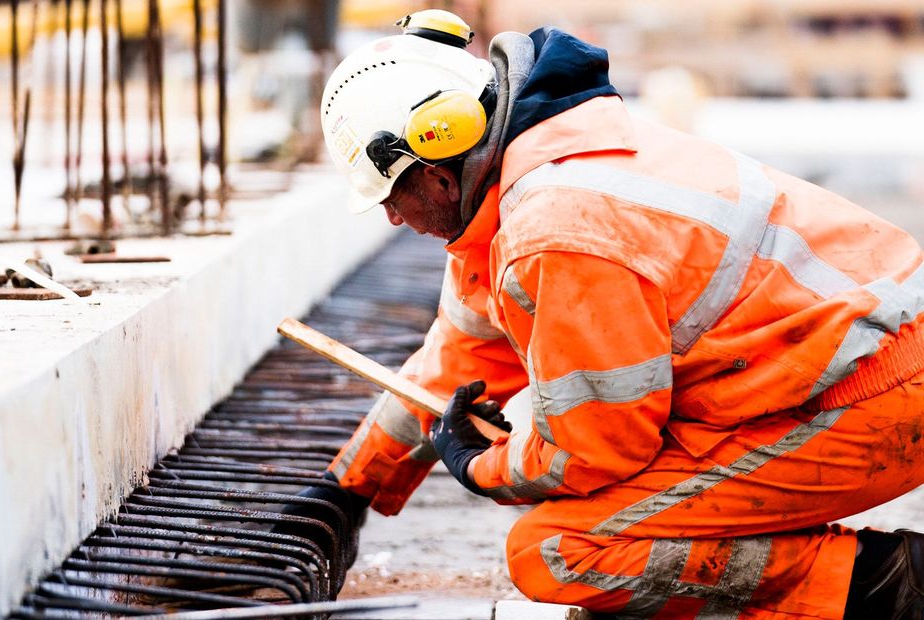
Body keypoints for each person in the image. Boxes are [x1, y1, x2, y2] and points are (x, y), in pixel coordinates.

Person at [311, 9, 924, 619]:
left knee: (558, 550)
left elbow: (597, 450)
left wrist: (483, 468)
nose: (393, 217)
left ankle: (888, 587)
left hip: (868, 396)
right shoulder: (532, 174)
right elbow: (458, 359)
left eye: (393, 194)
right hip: (844, 369)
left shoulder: (556, 228)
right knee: (591, 520)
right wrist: (347, 490)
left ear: (438, 161)